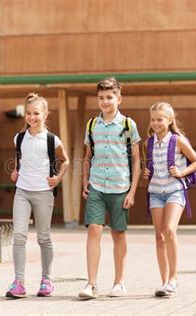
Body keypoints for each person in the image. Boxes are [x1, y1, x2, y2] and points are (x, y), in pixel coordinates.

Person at [78, 77, 141, 299]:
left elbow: (136, 161)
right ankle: (91, 284)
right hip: (96, 185)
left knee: (118, 234)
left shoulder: (128, 125)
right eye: (101, 98)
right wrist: (85, 180)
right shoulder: (92, 125)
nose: (105, 102)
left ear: (119, 98)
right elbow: (87, 156)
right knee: (94, 229)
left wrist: (132, 192)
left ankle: (118, 283)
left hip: (121, 187)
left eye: (109, 97)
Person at [5, 93, 70, 299]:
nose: (32, 117)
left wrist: (58, 178)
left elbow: (66, 161)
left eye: (36, 113)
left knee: (43, 237)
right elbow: (19, 158)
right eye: (29, 113)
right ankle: (19, 282)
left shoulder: (52, 139)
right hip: (22, 191)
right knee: (19, 235)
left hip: (43, 193)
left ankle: (47, 280)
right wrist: (16, 171)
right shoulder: (19, 137)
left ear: (45, 114)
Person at [143, 102, 196, 297]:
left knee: (169, 230)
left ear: (170, 120)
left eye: (160, 119)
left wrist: (182, 172)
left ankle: (174, 279)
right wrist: (147, 172)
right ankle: (164, 282)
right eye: (153, 119)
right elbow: (152, 167)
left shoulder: (178, 140)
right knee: (159, 237)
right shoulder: (149, 142)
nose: (155, 123)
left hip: (175, 190)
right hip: (155, 192)